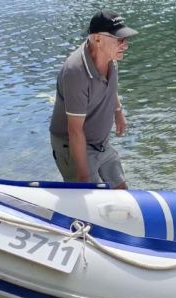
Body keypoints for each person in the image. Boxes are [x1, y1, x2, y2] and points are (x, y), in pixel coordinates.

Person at [49, 9, 138, 189]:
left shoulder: (111, 59)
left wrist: (118, 113)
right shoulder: (76, 73)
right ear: (97, 39)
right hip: (75, 146)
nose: (125, 45)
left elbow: (110, 87)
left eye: (125, 39)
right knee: (91, 203)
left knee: (122, 192)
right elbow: (74, 131)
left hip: (101, 143)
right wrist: (83, 177)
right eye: (119, 40)